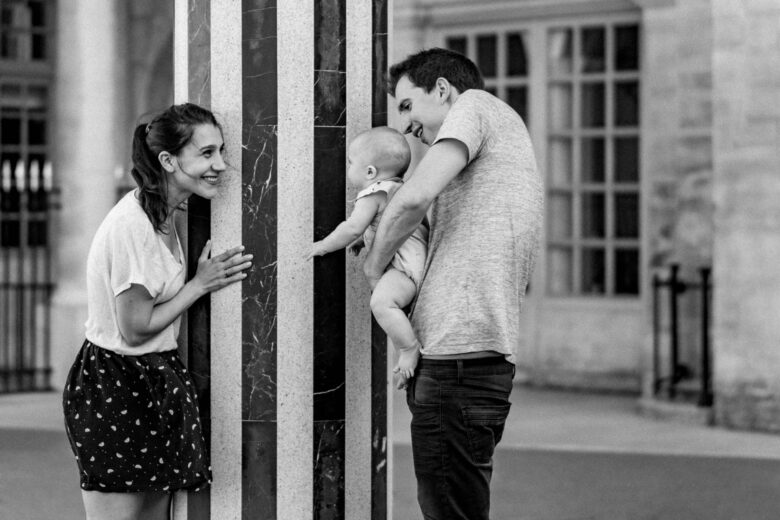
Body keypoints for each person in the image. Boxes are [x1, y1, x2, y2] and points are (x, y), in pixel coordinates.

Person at [363, 48, 544, 519]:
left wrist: (373, 267)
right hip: (462, 363)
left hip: (457, 363)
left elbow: (412, 200)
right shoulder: (481, 157)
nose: (405, 126)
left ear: (443, 89)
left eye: (407, 105)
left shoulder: (476, 106)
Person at [62, 103, 253, 520]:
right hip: (116, 385)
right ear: (167, 160)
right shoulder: (134, 226)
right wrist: (200, 285)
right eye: (206, 154)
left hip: (154, 380)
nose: (220, 165)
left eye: (220, 151)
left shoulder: (163, 214)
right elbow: (134, 328)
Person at [308, 126, 427, 380]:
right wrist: (366, 240)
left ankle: (408, 348)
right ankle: (406, 361)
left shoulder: (373, 192)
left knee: (382, 303)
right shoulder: (397, 189)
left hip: (403, 268)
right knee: (396, 311)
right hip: (414, 264)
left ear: (370, 172)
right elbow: (383, 225)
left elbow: (352, 227)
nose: (348, 168)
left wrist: (323, 245)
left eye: (351, 163)